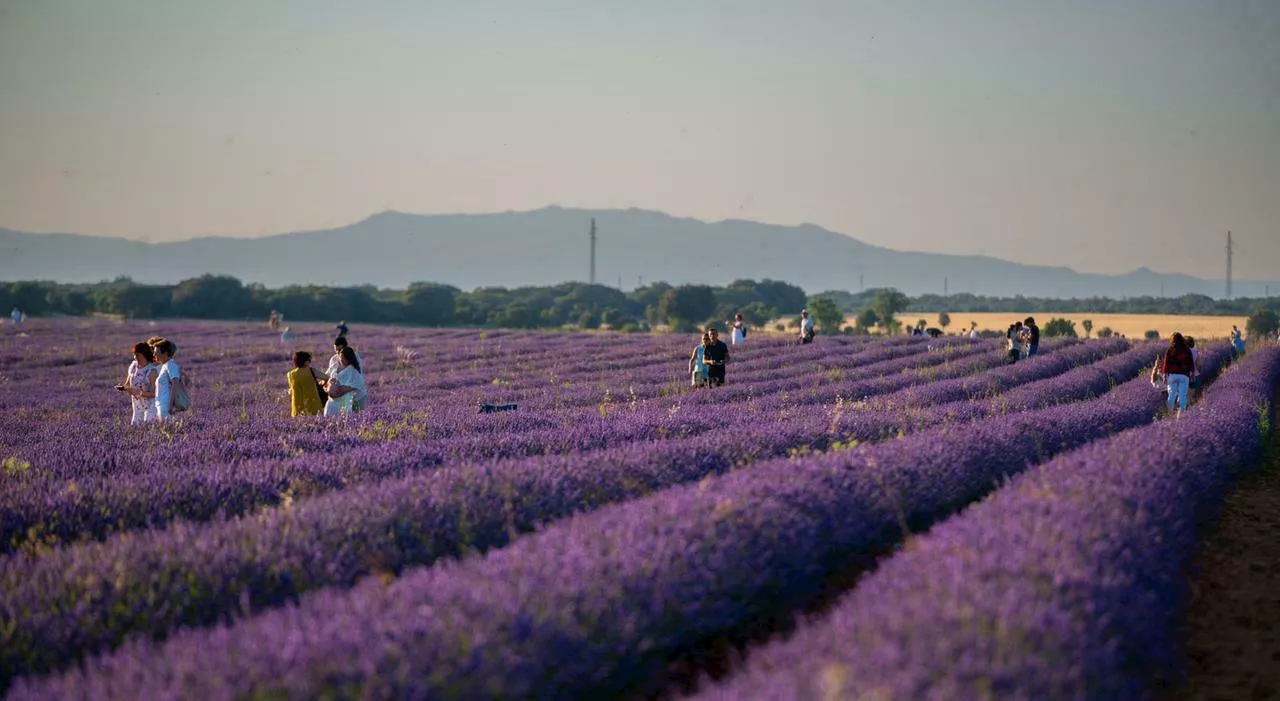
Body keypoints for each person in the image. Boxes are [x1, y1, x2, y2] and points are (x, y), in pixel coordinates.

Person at [118, 342, 159, 425]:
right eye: (134, 355)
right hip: (137, 406)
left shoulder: (152, 371)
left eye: (137, 355)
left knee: (148, 429)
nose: (135, 357)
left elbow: (155, 393)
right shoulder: (133, 366)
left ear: (145, 355)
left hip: (151, 406)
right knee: (135, 428)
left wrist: (139, 393)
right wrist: (123, 387)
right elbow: (127, 384)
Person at [324, 346, 366, 416]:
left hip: (344, 404)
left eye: (343, 358)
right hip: (331, 403)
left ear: (349, 359)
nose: (341, 359)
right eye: (340, 357)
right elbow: (324, 380)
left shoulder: (353, 371)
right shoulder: (334, 366)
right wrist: (327, 387)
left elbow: (346, 389)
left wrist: (333, 389)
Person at [1161, 333, 1195, 417]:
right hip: (1184, 376)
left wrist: (1164, 375)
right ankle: (1180, 415)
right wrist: (1192, 374)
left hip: (1172, 376)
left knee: (1171, 395)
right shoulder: (1187, 350)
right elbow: (1191, 364)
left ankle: (1170, 414)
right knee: (1182, 395)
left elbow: (1166, 364)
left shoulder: (1170, 350)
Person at [151, 338, 181, 422]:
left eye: (156, 353)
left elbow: (175, 383)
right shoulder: (164, 366)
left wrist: (171, 404)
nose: (154, 355)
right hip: (161, 405)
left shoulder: (170, 365)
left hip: (166, 406)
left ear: (166, 353)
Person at [287, 351, 325, 416]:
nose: (310, 362)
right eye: (309, 360)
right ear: (305, 362)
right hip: (313, 406)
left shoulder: (290, 374)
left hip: (297, 408)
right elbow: (327, 377)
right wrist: (321, 384)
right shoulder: (311, 371)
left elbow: (291, 390)